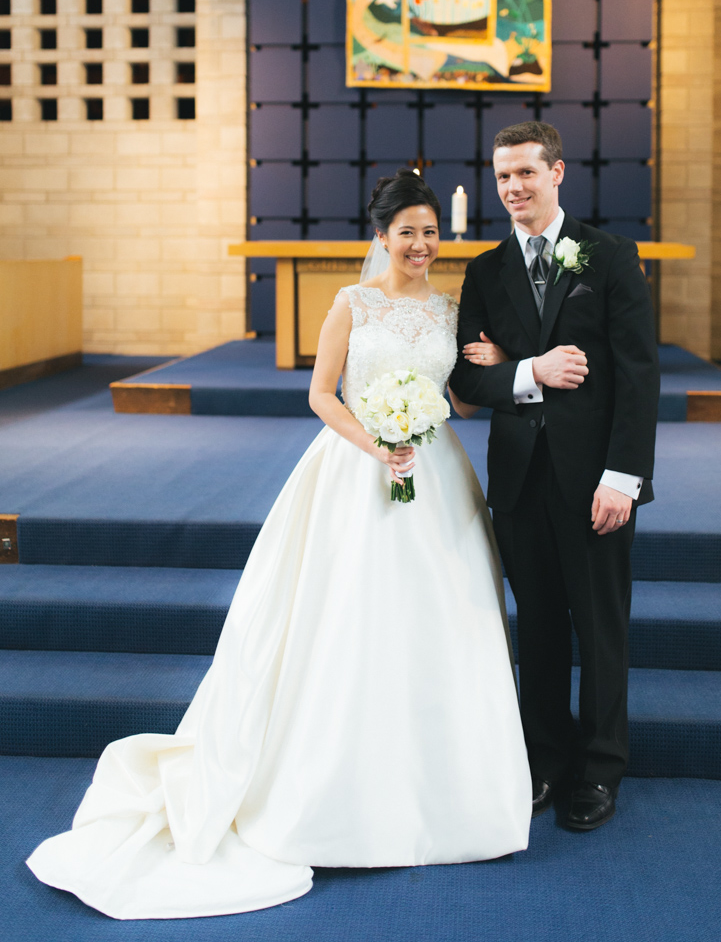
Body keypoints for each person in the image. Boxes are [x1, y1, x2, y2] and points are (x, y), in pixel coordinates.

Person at [27, 169, 532, 921]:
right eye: (407, 232)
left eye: (431, 232)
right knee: (346, 625)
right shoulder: (351, 304)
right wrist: (375, 442)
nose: (421, 244)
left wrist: (483, 371)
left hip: (435, 476)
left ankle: (452, 793)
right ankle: (333, 792)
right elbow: (321, 393)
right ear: (383, 236)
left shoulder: (450, 309)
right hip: (359, 475)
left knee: (443, 622)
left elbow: (455, 395)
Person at [449, 121, 660, 832]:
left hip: (594, 479)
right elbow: (468, 383)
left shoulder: (608, 256)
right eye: (503, 176)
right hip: (518, 482)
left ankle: (601, 770)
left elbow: (637, 375)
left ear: (557, 173)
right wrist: (528, 372)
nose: (513, 188)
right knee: (537, 629)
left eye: (526, 174)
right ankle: (546, 760)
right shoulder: (484, 271)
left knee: (599, 629)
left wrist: (623, 477)